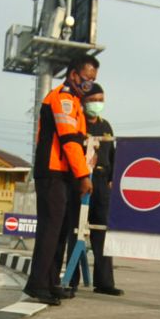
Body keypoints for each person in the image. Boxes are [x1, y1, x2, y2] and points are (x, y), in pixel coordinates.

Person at [23, 55, 96, 305]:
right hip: (52, 172)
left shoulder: (76, 102)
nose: (89, 85)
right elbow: (69, 142)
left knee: (61, 230)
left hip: (64, 174)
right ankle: (37, 284)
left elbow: (81, 142)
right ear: (74, 75)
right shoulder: (62, 99)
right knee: (50, 229)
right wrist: (83, 176)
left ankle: (52, 281)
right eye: (87, 79)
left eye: (93, 81)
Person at [57, 83, 123, 296]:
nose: (98, 104)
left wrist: (113, 179)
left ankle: (104, 282)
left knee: (102, 232)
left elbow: (112, 155)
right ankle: (72, 281)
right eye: (94, 100)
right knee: (76, 231)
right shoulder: (78, 123)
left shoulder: (106, 126)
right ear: (84, 102)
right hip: (82, 182)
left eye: (101, 100)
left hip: (103, 183)